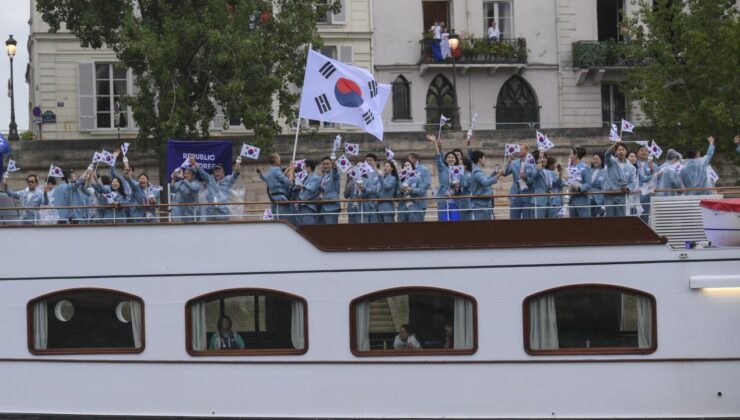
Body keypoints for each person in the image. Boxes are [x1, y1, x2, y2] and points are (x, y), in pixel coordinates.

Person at [426, 134, 460, 221]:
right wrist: (435, 144)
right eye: (448, 157)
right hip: (443, 198)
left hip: (456, 198)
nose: (451, 159)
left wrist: (457, 186)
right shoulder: (442, 168)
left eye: (453, 157)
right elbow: (438, 157)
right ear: (445, 160)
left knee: (455, 220)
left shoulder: (459, 170)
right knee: (443, 221)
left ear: (456, 160)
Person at [604, 141, 637, 217]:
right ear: (615, 152)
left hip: (622, 196)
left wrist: (628, 188)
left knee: (621, 219)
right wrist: (614, 145)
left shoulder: (631, 167)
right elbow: (606, 154)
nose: (621, 152)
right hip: (610, 194)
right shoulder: (611, 162)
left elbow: (633, 182)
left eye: (623, 150)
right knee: (610, 218)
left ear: (626, 152)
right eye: (619, 150)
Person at [258, 153, 295, 221]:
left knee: (277, 219)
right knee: (285, 220)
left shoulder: (270, 171)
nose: (280, 159)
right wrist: (292, 170)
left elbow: (272, 180)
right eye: (278, 158)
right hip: (280, 199)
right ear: (275, 160)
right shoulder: (276, 170)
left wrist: (287, 169)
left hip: (274, 199)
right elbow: (289, 183)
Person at [470, 150, 504, 221]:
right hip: (480, 204)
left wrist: (494, 173)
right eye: (484, 158)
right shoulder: (476, 171)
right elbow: (485, 182)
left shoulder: (478, 170)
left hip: (484, 203)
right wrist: (499, 175)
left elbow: (486, 179)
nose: (485, 160)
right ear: (480, 159)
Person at [504, 144, 534, 219]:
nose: (518, 151)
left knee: (527, 220)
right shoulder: (514, 163)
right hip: (515, 195)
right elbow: (505, 173)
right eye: (517, 149)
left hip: (527, 195)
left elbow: (534, 179)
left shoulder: (532, 162)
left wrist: (526, 178)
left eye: (520, 149)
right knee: (514, 220)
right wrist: (509, 162)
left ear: (526, 150)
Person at [566, 146, 593, 218]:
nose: (569, 156)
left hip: (582, 200)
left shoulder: (585, 167)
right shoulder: (571, 167)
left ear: (576, 155)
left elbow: (589, 183)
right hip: (572, 200)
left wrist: (579, 188)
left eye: (571, 154)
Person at [635, 144, 658, 222]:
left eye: (646, 150)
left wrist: (652, 170)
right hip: (635, 194)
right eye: (641, 150)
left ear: (649, 153)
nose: (644, 152)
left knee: (646, 216)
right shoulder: (633, 163)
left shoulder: (653, 165)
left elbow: (657, 178)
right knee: (634, 216)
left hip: (647, 194)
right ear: (637, 153)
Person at [296, 159, 321, 225]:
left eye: (304, 166)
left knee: (309, 228)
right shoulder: (306, 178)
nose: (303, 168)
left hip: (309, 206)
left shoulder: (315, 177)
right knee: (302, 227)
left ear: (309, 167)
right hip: (302, 205)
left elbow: (312, 188)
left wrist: (302, 186)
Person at [408, 152, 431, 221]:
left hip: (420, 201)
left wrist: (413, 189)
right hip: (408, 201)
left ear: (414, 159)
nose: (407, 161)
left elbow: (426, 185)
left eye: (409, 159)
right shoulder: (407, 170)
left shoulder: (424, 169)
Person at [318, 156, 341, 224]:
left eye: (328, 164)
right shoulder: (322, 176)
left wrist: (334, 167)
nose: (326, 165)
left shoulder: (335, 175)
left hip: (332, 206)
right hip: (322, 206)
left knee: (331, 230)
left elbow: (335, 174)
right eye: (324, 164)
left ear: (331, 164)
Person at [589, 152, 607, 217]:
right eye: (594, 159)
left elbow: (605, 187)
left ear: (602, 160)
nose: (595, 160)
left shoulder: (605, 171)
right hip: (589, 198)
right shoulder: (590, 170)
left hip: (599, 200)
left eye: (597, 159)